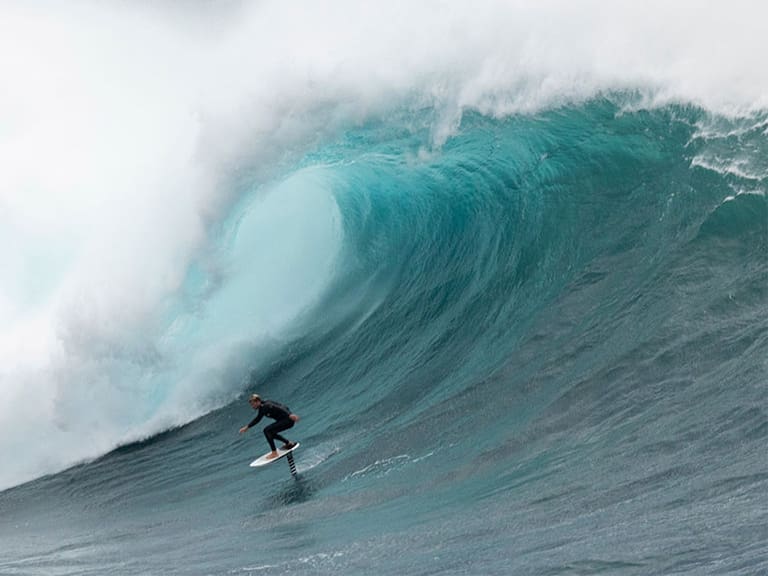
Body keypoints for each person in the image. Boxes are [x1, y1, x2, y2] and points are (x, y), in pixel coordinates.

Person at [239, 394, 300, 460]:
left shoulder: (266, 405)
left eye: (253, 404)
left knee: (266, 431)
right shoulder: (263, 406)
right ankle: (288, 443)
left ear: (258, 401)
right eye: (251, 405)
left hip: (287, 421)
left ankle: (274, 452)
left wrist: (289, 415)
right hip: (285, 421)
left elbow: (281, 407)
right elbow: (258, 419)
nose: (252, 406)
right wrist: (247, 427)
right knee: (270, 433)